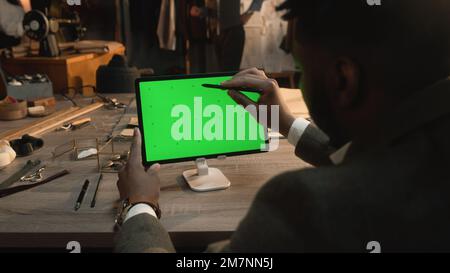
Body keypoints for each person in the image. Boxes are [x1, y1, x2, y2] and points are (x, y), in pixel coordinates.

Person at [115, 0, 450, 252]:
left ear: (343, 80)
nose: (300, 81)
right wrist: (285, 122)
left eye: (301, 69)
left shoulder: (306, 206)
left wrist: (140, 204)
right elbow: (378, 161)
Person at [190, 0, 255, 72]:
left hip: (233, 30)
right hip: (216, 32)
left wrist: (249, 13)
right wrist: (201, 11)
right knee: (221, 72)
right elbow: (216, 10)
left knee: (228, 72)